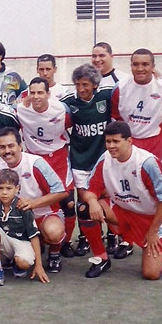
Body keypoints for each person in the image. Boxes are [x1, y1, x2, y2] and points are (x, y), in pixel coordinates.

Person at [83, 121, 162, 280]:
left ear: (129, 141)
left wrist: (153, 231)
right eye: (108, 141)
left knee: (151, 274)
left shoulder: (147, 163)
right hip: (122, 212)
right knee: (84, 208)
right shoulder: (105, 160)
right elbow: (90, 190)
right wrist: (92, 202)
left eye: (116, 141)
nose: (111, 146)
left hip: (149, 218)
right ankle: (102, 259)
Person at [0, 127, 68, 273]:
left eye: (11, 146)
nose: (7, 151)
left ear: (20, 146)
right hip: (13, 219)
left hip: (42, 214)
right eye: (2, 147)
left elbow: (61, 192)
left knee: (54, 231)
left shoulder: (36, 163)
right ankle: (11, 253)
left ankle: (54, 253)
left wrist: (33, 203)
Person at [17, 77, 76, 258]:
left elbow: (74, 124)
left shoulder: (60, 110)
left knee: (68, 202)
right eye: (32, 93)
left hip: (57, 158)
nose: (36, 97)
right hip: (34, 160)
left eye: (40, 93)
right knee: (38, 200)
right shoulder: (20, 110)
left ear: (48, 94)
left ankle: (65, 242)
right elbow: (3, 109)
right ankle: (40, 238)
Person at [60, 64, 114, 256]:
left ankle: (112, 236)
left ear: (94, 85)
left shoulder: (106, 96)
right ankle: (86, 238)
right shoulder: (68, 101)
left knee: (106, 200)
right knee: (84, 203)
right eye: (77, 85)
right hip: (80, 160)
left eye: (85, 85)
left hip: (102, 160)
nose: (81, 89)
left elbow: (129, 89)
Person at [0, 169, 48, 286]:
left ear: (17, 188)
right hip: (5, 243)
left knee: (23, 263)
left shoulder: (23, 207)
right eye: (1, 188)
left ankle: (17, 263)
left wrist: (38, 265)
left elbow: (34, 237)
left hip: (21, 242)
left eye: (9, 188)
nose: (4, 192)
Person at [111, 48, 162, 161]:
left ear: (153, 66)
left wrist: (157, 128)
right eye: (135, 64)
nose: (140, 69)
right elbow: (116, 117)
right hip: (128, 142)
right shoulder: (119, 88)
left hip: (154, 142)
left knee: (152, 176)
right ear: (131, 66)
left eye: (145, 64)